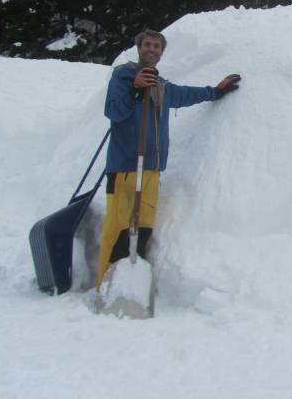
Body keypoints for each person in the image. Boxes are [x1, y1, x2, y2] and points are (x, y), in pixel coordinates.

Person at [95, 29, 241, 288]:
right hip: (124, 169)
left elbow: (186, 94)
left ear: (161, 53)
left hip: (151, 170)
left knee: (143, 227)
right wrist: (134, 91)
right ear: (139, 48)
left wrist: (215, 92)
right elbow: (113, 112)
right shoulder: (123, 75)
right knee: (117, 228)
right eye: (148, 45)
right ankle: (104, 285)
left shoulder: (161, 86)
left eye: (157, 47)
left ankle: (130, 285)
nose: (152, 49)